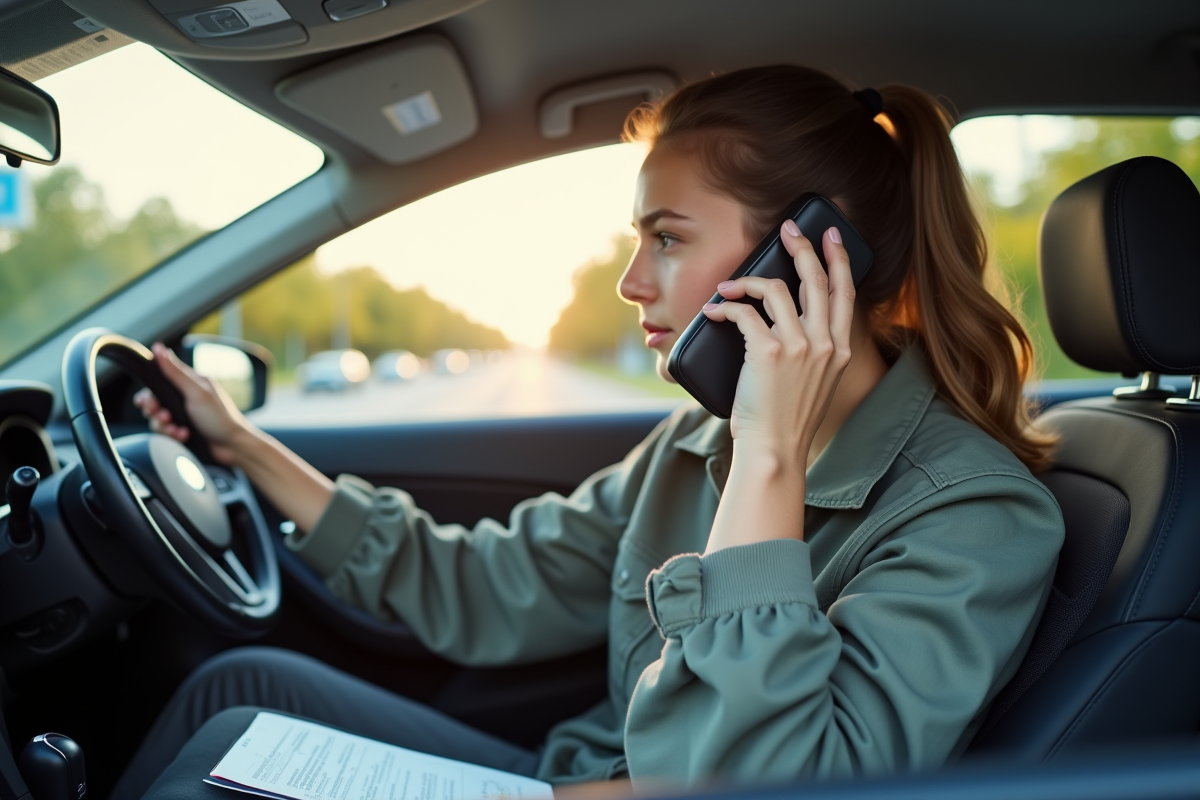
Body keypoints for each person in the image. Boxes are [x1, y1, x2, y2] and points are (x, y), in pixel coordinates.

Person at [116, 65, 1064, 798]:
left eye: (668, 237)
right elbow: (486, 586)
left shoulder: (976, 515)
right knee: (234, 694)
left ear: (811, 257)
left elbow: (768, 780)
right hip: (575, 774)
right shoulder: (693, 446)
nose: (632, 282)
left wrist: (770, 460)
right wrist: (241, 445)